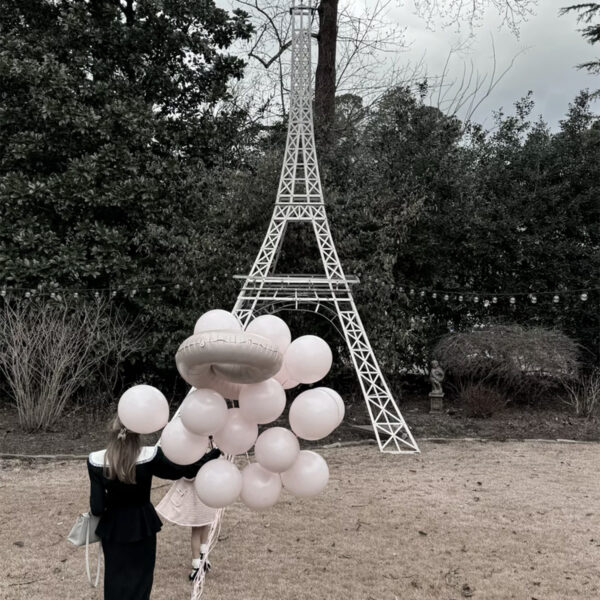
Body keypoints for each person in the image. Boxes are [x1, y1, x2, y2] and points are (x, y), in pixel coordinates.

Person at [87, 416, 221, 600]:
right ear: (138, 432)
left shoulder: (96, 460)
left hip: (113, 529)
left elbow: (97, 507)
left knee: (115, 578)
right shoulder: (149, 456)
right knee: (141, 578)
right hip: (143, 525)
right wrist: (215, 452)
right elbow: (185, 470)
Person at [156, 437, 218, 581]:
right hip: (195, 495)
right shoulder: (190, 449)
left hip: (209, 491)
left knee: (207, 523)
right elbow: (189, 474)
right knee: (197, 528)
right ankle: (196, 564)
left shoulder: (210, 442)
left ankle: (204, 557)